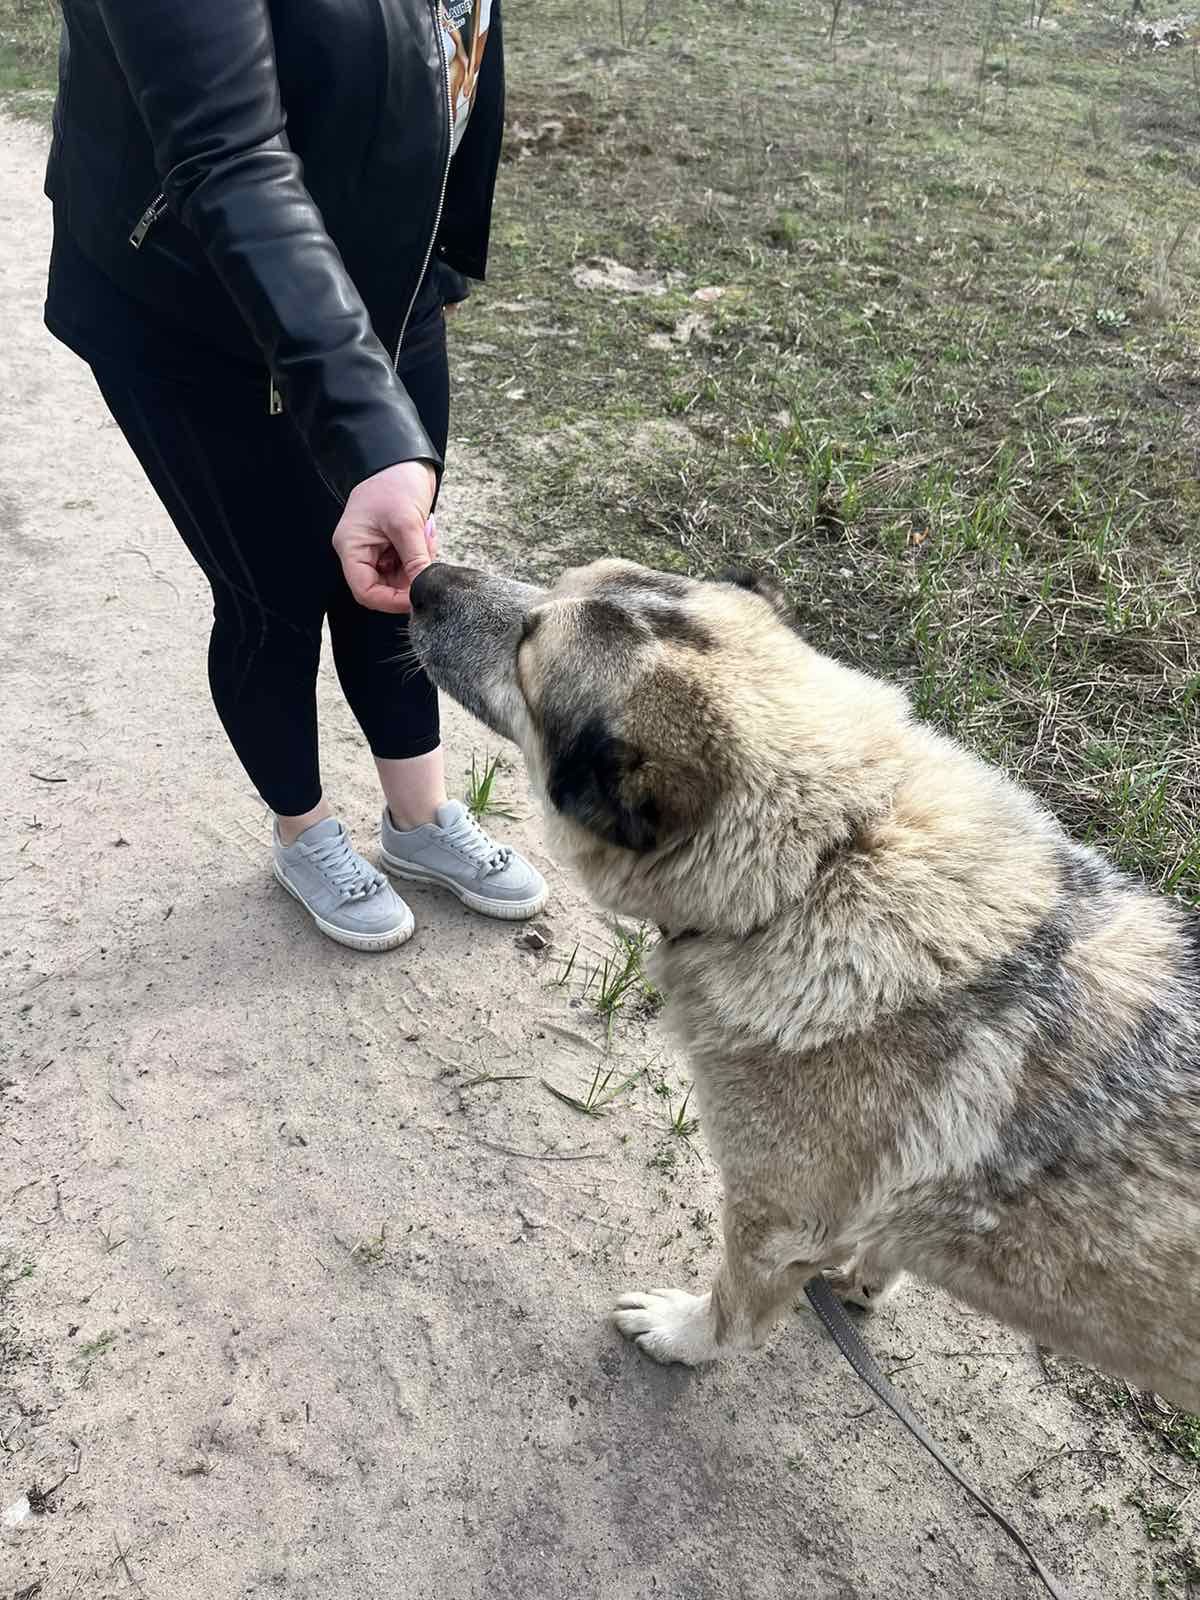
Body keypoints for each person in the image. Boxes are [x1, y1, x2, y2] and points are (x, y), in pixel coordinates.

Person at [42, 0, 546, 953]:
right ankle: (304, 831)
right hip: (193, 308)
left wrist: (436, 257)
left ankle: (418, 818)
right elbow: (227, 153)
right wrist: (365, 430)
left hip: (385, 284)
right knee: (272, 596)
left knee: (397, 578)